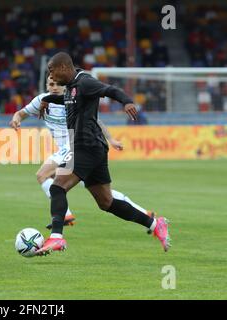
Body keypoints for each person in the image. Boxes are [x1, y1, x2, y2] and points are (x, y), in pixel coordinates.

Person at [36, 52, 170, 255]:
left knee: (57, 187)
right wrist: (47, 98)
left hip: (86, 146)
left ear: (63, 67)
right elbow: (68, 101)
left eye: (52, 71)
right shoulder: (72, 86)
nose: (51, 77)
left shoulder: (85, 82)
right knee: (106, 202)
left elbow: (110, 90)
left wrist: (127, 102)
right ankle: (154, 224)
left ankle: (56, 238)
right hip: (93, 147)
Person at [10, 75, 154, 231]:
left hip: (77, 145)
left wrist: (111, 139)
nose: (55, 87)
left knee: (43, 174)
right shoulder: (41, 101)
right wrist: (16, 119)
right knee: (104, 195)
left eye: (58, 83)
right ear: (46, 86)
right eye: (51, 84)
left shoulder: (71, 100)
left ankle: (65, 216)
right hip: (68, 150)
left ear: (65, 86)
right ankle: (145, 214)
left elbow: (96, 120)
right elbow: (21, 113)